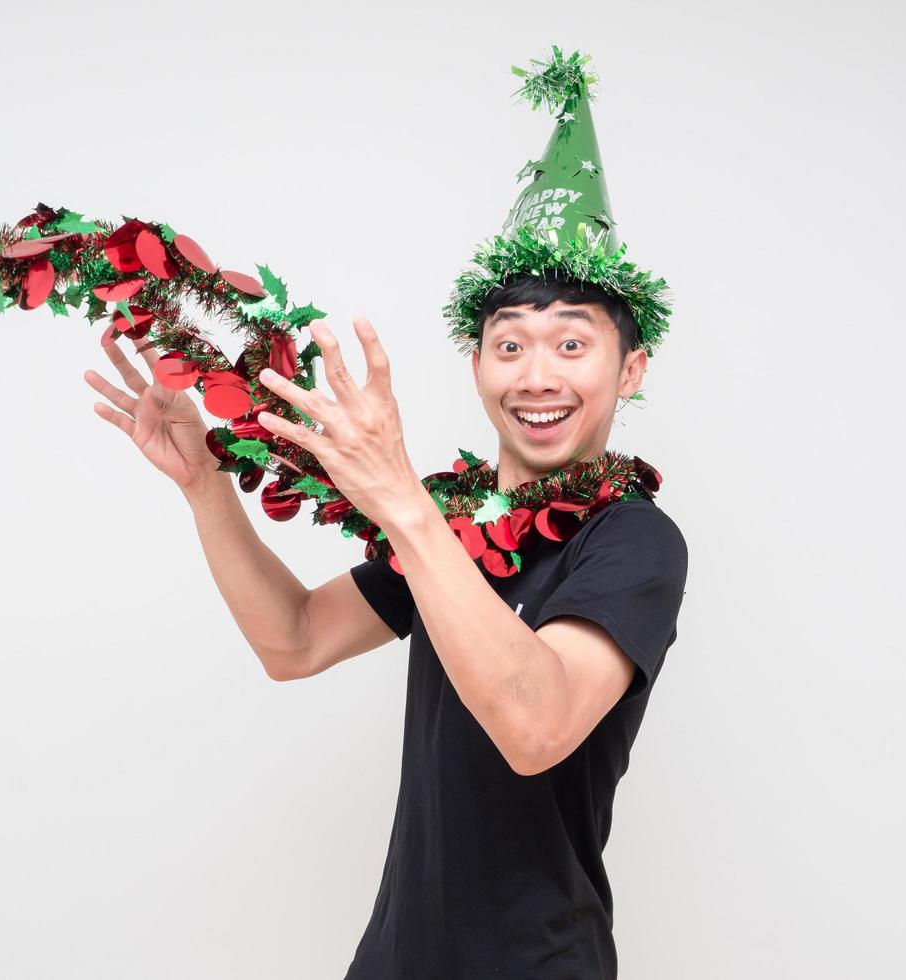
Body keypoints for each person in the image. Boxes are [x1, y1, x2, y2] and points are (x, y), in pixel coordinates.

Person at [82, 46, 688, 980]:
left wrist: (402, 500)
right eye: (510, 344)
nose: (537, 375)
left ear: (629, 371)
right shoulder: (460, 526)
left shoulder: (635, 540)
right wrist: (206, 482)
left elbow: (536, 728)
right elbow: (293, 641)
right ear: (477, 365)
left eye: (573, 343)